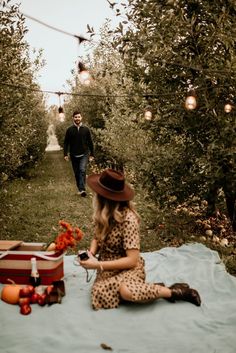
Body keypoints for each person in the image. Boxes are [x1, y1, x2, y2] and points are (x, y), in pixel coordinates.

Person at [79, 168, 201, 310]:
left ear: (104, 197)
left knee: (126, 291)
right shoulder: (103, 213)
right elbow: (97, 238)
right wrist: (91, 254)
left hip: (129, 268)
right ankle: (147, 289)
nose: (95, 195)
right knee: (99, 293)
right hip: (109, 268)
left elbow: (132, 260)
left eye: (98, 192)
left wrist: (98, 265)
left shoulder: (128, 220)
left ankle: (175, 292)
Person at [64, 110, 94, 196]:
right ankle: (80, 188)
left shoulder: (86, 129)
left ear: (81, 118)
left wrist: (92, 154)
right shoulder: (69, 130)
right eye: (75, 117)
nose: (77, 118)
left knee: (82, 170)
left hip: (84, 153)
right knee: (77, 173)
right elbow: (66, 142)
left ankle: (82, 190)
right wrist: (65, 154)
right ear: (73, 118)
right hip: (73, 154)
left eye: (79, 117)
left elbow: (90, 142)